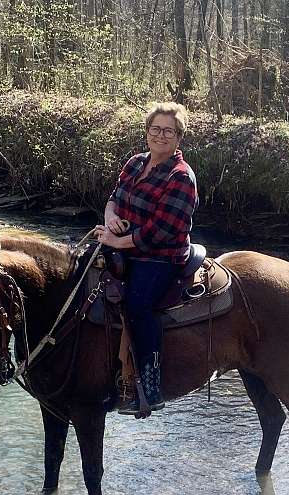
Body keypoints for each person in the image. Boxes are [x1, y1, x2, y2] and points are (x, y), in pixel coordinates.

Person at [94, 102, 198, 415]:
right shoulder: (137, 163)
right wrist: (111, 218)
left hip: (160, 257)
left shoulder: (182, 178)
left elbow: (159, 232)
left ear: (179, 136)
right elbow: (114, 199)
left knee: (138, 306)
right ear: (147, 132)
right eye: (155, 129)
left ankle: (150, 386)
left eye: (168, 130)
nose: (160, 135)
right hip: (122, 244)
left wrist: (117, 240)